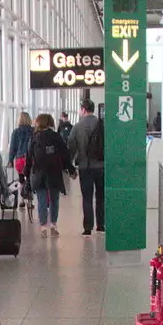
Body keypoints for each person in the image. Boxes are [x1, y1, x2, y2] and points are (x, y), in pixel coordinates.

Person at [25, 114, 71, 238]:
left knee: (41, 200)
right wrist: (71, 170)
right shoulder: (56, 137)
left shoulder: (33, 138)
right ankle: (54, 225)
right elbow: (65, 154)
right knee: (54, 200)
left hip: (38, 173)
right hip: (54, 172)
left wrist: (26, 174)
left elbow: (29, 159)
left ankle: (43, 226)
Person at [69, 101, 105, 236]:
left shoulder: (77, 127)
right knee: (101, 197)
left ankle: (88, 227)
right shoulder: (102, 125)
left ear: (83, 110)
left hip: (85, 167)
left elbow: (71, 146)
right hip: (101, 166)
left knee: (87, 198)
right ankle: (101, 225)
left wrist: (70, 166)